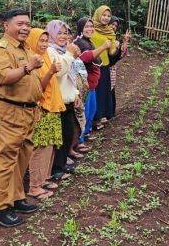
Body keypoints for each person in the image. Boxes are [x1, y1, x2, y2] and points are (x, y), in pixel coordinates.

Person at [0, 9, 44, 227]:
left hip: (28, 112)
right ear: (6, 25)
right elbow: (3, 78)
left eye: (28, 24)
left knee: (22, 157)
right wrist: (29, 67)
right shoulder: (0, 50)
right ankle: (0, 208)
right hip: (10, 112)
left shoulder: (26, 48)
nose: (25, 28)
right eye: (20, 23)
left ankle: (16, 197)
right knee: (6, 159)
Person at [25, 28, 63, 200]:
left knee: (49, 146)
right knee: (40, 148)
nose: (44, 44)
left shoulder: (46, 56)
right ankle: (34, 186)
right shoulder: (32, 60)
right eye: (41, 40)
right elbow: (38, 87)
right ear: (32, 41)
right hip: (42, 108)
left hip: (52, 106)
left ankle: (44, 178)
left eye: (46, 41)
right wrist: (51, 71)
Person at [46, 20, 81, 180]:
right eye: (59, 33)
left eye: (65, 33)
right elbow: (59, 72)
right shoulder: (49, 51)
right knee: (58, 138)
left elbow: (70, 75)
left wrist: (75, 94)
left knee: (66, 134)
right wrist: (69, 54)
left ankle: (61, 163)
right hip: (55, 101)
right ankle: (55, 168)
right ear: (51, 34)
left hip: (67, 99)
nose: (62, 36)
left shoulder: (63, 50)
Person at [73, 17, 112, 144]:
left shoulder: (88, 41)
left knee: (91, 111)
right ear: (80, 28)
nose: (90, 29)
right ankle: (80, 139)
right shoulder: (80, 42)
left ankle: (86, 132)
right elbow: (86, 58)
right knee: (84, 113)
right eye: (87, 27)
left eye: (91, 26)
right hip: (85, 85)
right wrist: (103, 47)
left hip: (92, 85)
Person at [90, 6, 119, 128]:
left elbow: (111, 52)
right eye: (104, 15)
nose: (106, 18)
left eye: (108, 16)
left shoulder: (110, 32)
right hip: (91, 64)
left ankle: (99, 118)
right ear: (98, 14)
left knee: (101, 93)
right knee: (92, 93)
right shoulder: (90, 28)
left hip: (104, 65)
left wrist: (116, 46)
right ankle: (89, 120)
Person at [108, 16, 131, 119]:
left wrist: (125, 41)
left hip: (110, 71)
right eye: (112, 24)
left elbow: (118, 56)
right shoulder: (101, 37)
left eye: (115, 26)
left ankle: (109, 114)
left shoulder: (113, 39)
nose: (113, 27)